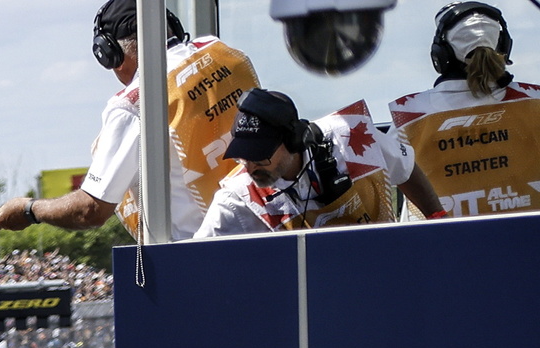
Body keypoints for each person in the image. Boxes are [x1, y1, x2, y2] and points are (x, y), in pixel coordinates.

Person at [0, 2, 258, 242]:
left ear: (110, 55)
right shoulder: (224, 54)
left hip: (203, 256)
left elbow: (90, 210)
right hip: (271, 228)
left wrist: (29, 210)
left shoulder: (134, 103)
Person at [204, 87, 445, 231]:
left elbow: (406, 169)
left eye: (260, 156)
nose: (250, 166)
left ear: (293, 141)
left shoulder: (351, 136)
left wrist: (438, 219)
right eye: (243, 157)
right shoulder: (237, 196)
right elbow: (196, 255)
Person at [388, 4, 540, 218]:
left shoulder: (408, 115)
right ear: (504, 45)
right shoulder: (535, 101)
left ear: (440, 53)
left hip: (440, 246)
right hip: (528, 243)